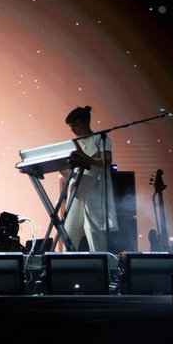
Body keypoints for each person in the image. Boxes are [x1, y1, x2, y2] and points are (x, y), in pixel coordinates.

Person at [61, 105, 117, 252]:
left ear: (86, 121)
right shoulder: (74, 143)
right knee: (69, 230)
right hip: (78, 190)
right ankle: (63, 266)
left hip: (94, 189)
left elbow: (106, 162)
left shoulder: (100, 138)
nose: (73, 130)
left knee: (94, 230)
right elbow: (69, 171)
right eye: (71, 127)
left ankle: (101, 265)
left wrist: (86, 159)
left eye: (76, 125)